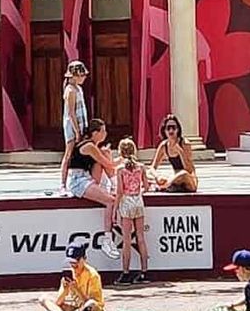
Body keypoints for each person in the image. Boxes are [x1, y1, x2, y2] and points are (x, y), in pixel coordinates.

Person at [60, 117, 119, 259]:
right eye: (103, 131)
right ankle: (107, 239)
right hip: (78, 181)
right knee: (110, 201)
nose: (105, 134)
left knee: (102, 157)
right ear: (95, 133)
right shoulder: (89, 146)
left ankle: (115, 184)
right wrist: (121, 158)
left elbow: (104, 164)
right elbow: (110, 165)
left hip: (87, 178)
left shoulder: (95, 148)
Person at [39, 240, 105, 311]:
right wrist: (65, 290)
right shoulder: (69, 274)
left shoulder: (92, 275)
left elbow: (91, 304)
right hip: (75, 309)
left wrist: (77, 289)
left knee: (90, 304)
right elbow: (58, 303)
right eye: (71, 261)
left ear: (84, 259)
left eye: (77, 260)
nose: (74, 264)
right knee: (43, 298)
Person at [114, 138, 150, 285]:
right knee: (141, 237)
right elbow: (146, 186)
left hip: (127, 202)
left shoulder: (120, 170)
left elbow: (120, 191)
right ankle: (144, 271)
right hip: (138, 201)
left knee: (127, 240)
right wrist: (139, 191)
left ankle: (126, 272)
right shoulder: (141, 167)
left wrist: (115, 208)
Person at [152, 114, 198, 192]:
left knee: (183, 174)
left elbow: (189, 170)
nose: (171, 131)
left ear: (178, 129)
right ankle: (167, 185)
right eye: (168, 128)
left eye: (174, 127)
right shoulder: (164, 145)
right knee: (149, 174)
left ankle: (164, 187)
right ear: (164, 130)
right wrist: (157, 176)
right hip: (175, 179)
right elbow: (152, 168)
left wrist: (180, 151)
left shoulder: (185, 144)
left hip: (189, 180)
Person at [60, 61, 90, 171]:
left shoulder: (78, 89)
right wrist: (77, 131)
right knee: (69, 153)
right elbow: (71, 112)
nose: (84, 77)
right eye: (82, 75)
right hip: (72, 126)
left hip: (81, 123)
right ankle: (63, 182)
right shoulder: (70, 90)